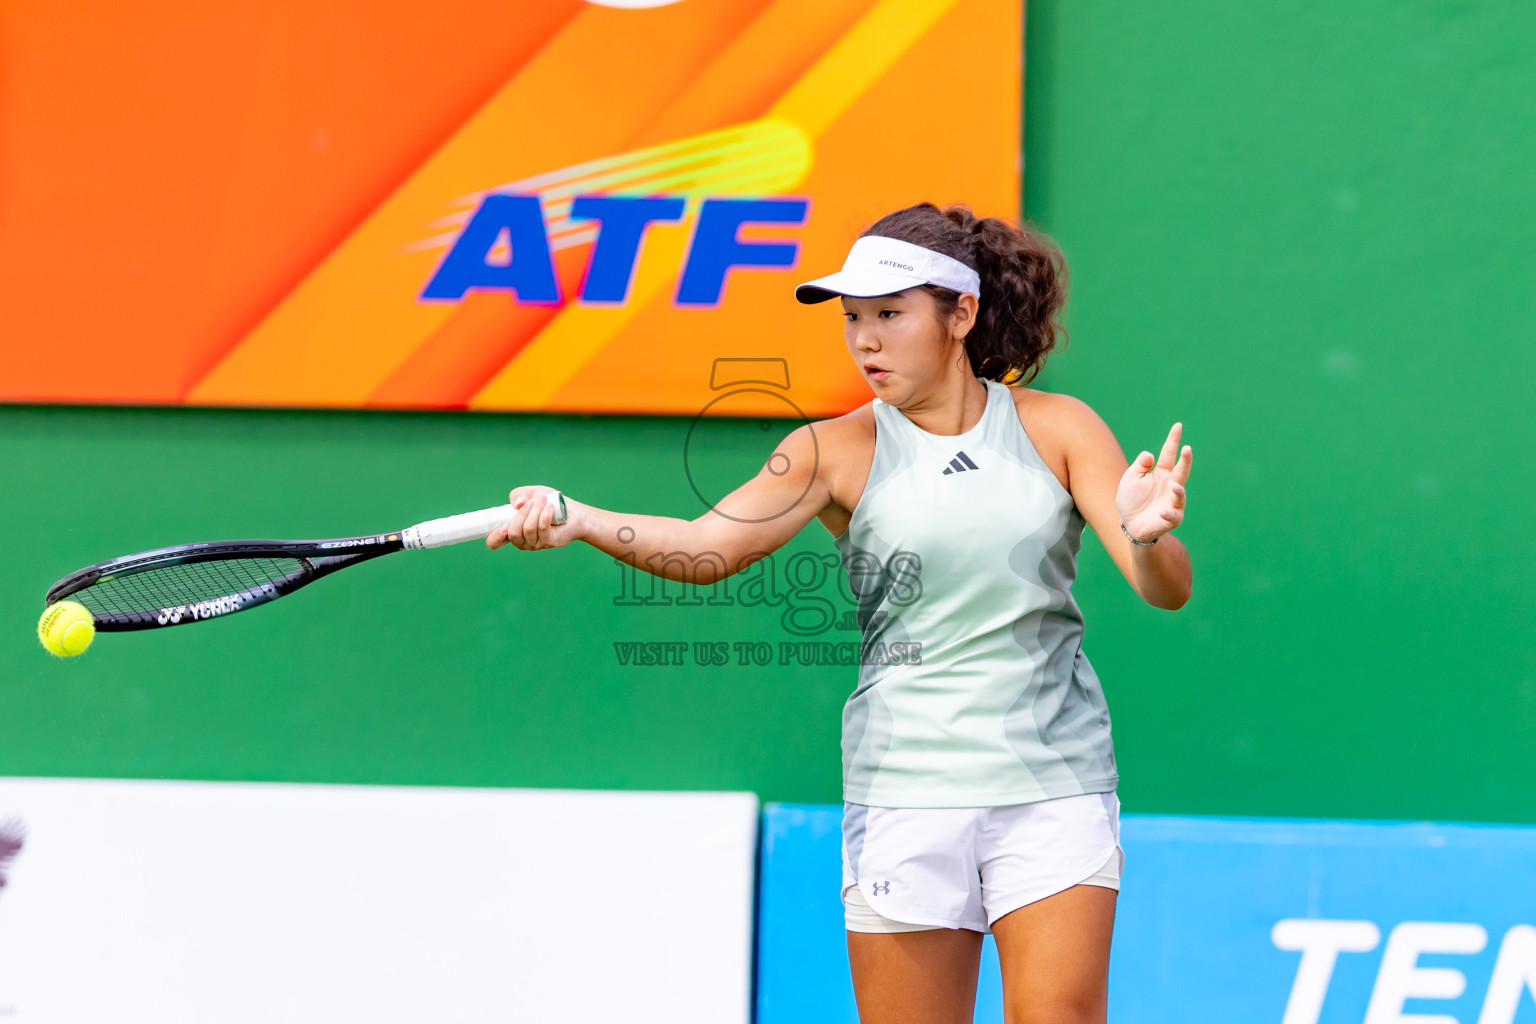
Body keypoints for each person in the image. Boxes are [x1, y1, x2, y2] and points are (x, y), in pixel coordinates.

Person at [487, 201, 1193, 1024]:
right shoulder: (829, 449)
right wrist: (580, 519)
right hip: (905, 787)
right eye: (853, 318)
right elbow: (706, 547)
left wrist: (1145, 536)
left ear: (961, 314)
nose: (865, 339)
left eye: (891, 315)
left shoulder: (1060, 429)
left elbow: (1165, 587)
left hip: (1054, 786)